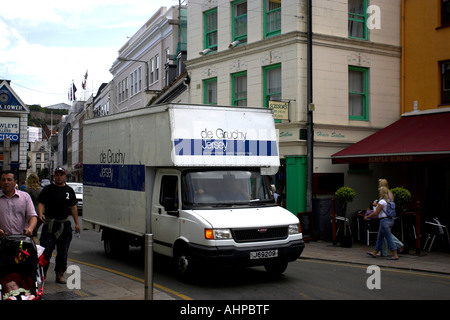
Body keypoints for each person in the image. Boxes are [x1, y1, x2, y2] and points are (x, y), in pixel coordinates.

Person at [37, 167, 80, 284]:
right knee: (46, 252)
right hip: (50, 225)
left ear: (65, 176)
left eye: (61, 175)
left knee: (63, 252)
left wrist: (77, 224)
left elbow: (73, 207)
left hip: (64, 225)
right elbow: (41, 203)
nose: (59, 177)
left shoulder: (69, 190)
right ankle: (43, 274)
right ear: (54, 176)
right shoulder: (48, 189)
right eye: (57, 175)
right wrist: (40, 213)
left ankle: (60, 274)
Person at [365, 186, 399, 260]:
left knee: (389, 238)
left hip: (384, 221)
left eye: (380, 191)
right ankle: (374, 252)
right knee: (380, 238)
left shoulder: (382, 202)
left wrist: (367, 217)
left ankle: (395, 255)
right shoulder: (389, 201)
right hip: (390, 220)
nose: (379, 192)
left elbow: (376, 213)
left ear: (382, 193)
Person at [0, 170, 37, 238]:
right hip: (2, 239)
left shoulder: (25, 197)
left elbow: (32, 216)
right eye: (3, 180)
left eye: (9, 180)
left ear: (15, 182)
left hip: (21, 238)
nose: (6, 182)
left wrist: (30, 228)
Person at [24, 174, 43, 244]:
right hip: (40, 213)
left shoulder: (27, 190)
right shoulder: (41, 190)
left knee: (32, 235)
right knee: (34, 233)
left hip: (30, 215)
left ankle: (37, 251)